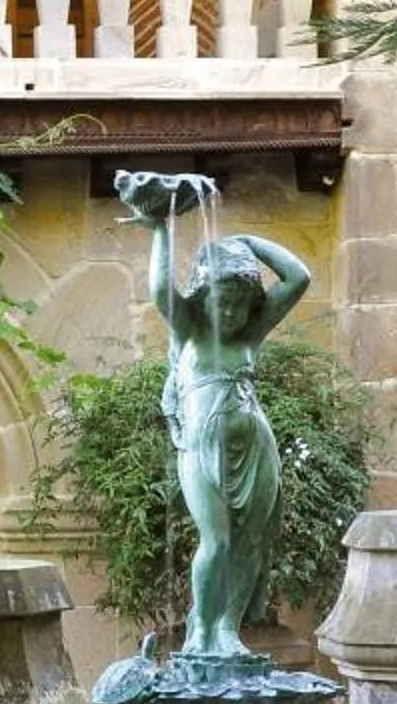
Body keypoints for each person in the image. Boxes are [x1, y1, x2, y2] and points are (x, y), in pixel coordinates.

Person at [115, 170, 311, 660]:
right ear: (205, 296)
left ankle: (228, 629)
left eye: (243, 305)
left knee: (251, 543)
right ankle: (201, 630)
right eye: (224, 302)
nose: (232, 314)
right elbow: (162, 290)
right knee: (217, 540)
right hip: (201, 445)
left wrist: (247, 241)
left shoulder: (249, 335)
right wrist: (160, 230)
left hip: (255, 444)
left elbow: (299, 277)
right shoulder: (191, 331)